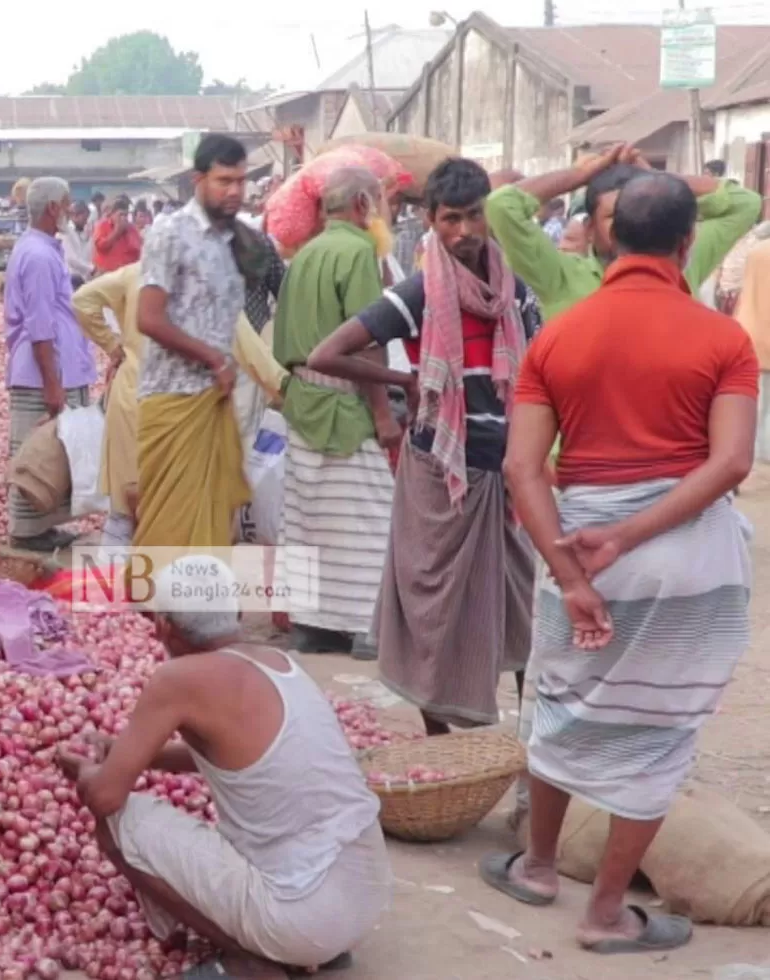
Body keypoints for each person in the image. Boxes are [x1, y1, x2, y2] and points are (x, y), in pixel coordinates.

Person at [482, 172, 757, 955]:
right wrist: (634, 535)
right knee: (659, 729)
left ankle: (536, 866)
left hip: (575, 543)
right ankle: (605, 912)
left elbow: (522, 471)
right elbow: (733, 462)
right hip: (686, 558)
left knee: (561, 703)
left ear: (607, 238)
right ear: (686, 244)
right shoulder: (722, 339)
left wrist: (574, 573)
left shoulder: (558, 334)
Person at [57, 557, 390, 978]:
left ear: (163, 627)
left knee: (119, 822)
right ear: (235, 614)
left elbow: (105, 796)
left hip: (299, 919)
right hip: (365, 897)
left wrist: (85, 770)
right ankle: (313, 948)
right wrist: (126, 750)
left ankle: (251, 961)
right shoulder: (280, 663)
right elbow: (227, 753)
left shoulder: (178, 679)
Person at [307, 159, 538, 734]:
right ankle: (440, 740)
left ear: (489, 214)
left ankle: (524, 734)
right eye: (452, 219)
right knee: (434, 610)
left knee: (518, 604)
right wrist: (405, 383)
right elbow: (326, 354)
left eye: (475, 216)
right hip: (441, 468)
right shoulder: (418, 294)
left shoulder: (517, 294)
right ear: (431, 221)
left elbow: (538, 375)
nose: (465, 231)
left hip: (506, 470)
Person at [271, 168, 399, 658]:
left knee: (308, 518)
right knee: (367, 519)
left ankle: (311, 626)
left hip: (303, 401)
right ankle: (364, 625)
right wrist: (384, 415)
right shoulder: (357, 252)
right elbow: (366, 343)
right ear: (364, 205)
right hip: (345, 405)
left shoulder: (306, 254)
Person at [74, 261, 284, 550]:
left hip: (130, 400)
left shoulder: (137, 273)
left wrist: (113, 346)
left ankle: (119, 583)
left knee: (123, 515)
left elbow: (82, 300)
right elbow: (252, 352)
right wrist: (284, 387)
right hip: (179, 412)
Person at [133, 134, 252, 551]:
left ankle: (198, 604)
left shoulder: (231, 239)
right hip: (174, 396)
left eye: (240, 180)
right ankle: (164, 609)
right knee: (171, 525)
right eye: (224, 180)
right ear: (198, 179)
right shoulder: (170, 232)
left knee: (213, 516)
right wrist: (212, 358)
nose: (235, 190)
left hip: (212, 399)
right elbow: (148, 318)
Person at [485, 143, 762, 321]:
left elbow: (745, 203)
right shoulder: (559, 275)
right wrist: (578, 175)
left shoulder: (682, 264)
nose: (626, 222)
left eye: (637, 209)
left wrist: (660, 181)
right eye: (612, 216)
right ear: (589, 228)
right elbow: (500, 205)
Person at [3, 176, 98, 552]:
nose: (71, 208)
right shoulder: (39, 256)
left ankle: (41, 528)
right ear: (54, 208)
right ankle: (26, 532)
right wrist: (53, 383)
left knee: (54, 450)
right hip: (43, 370)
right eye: (67, 202)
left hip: (55, 366)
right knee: (36, 453)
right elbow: (40, 326)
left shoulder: (41, 249)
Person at [734, 236, 770, 460]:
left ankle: (755, 454)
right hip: (765, 331)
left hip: (747, 328)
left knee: (752, 405)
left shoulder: (757, 249)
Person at [94, 198, 143, 273]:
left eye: (125, 215)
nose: (123, 218)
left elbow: (137, 249)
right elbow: (101, 246)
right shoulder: (102, 226)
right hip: (106, 273)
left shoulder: (131, 229)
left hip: (127, 273)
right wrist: (117, 231)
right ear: (112, 214)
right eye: (120, 214)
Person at [61, 200, 96, 284]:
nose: (86, 221)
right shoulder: (65, 232)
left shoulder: (87, 231)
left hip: (86, 279)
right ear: (75, 216)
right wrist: (92, 269)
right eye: (84, 218)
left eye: (87, 218)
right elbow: (71, 259)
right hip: (72, 278)